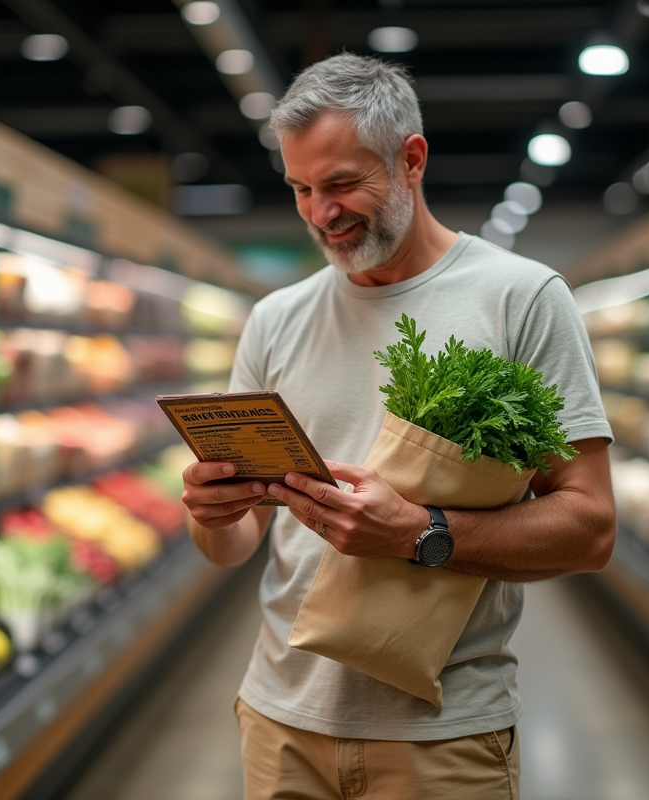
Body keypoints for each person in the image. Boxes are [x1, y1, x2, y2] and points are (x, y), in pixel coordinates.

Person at [180, 53, 616, 799]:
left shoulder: (521, 298)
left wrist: (420, 532)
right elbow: (236, 545)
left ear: (411, 160)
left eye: (344, 183)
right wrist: (213, 514)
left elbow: (591, 526)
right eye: (300, 189)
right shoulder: (275, 320)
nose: (321, 212)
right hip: (279, 723)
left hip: (443, 735)